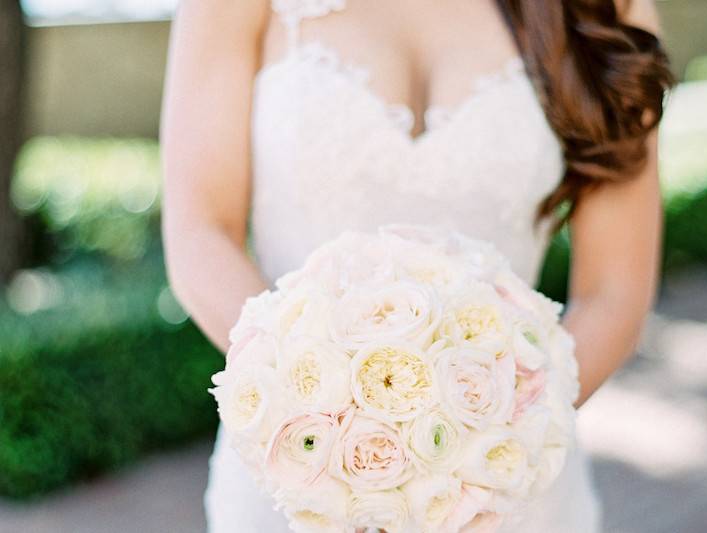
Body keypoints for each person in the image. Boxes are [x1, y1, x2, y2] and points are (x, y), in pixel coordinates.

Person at [160, 0, 673, 531]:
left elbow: (614, 291)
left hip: (505, 491)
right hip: (298, 477)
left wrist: (483, 447)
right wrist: (322, 423)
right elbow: (202, 232)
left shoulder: (602, 9)